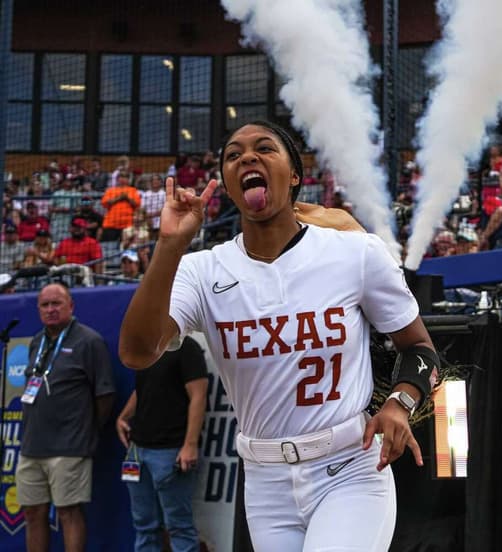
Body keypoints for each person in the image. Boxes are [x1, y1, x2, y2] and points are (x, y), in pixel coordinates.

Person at [118, 120, 439, 551]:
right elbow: (137, 352)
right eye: (233, 155)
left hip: (349, 467)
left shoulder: (355, 253)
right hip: (265, 482)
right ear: (229, 188)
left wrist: (400, 404)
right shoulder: (201, 270)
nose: (248, 157)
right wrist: (170, 245)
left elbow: (420, 349)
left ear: (295, 176)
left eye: (265, 148)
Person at [16, 283, 115, 552]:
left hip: (70, 447)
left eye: (56, 303)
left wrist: (86, 431)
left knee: (68, 513)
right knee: (32, 513)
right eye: (45, 305)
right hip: (32, 446)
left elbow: (105, 394)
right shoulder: (37, 341)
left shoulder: (89, 340)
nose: (50, 310)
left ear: (71, 306)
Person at [116, 335, 208, 552]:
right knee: (143, 525)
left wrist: (190, 444)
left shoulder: (187, 347)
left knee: (178, 525)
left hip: (171, 450)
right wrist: (124, 415)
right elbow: (143, 389)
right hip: (138, 450)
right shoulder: (148, 346)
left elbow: (198, 395)